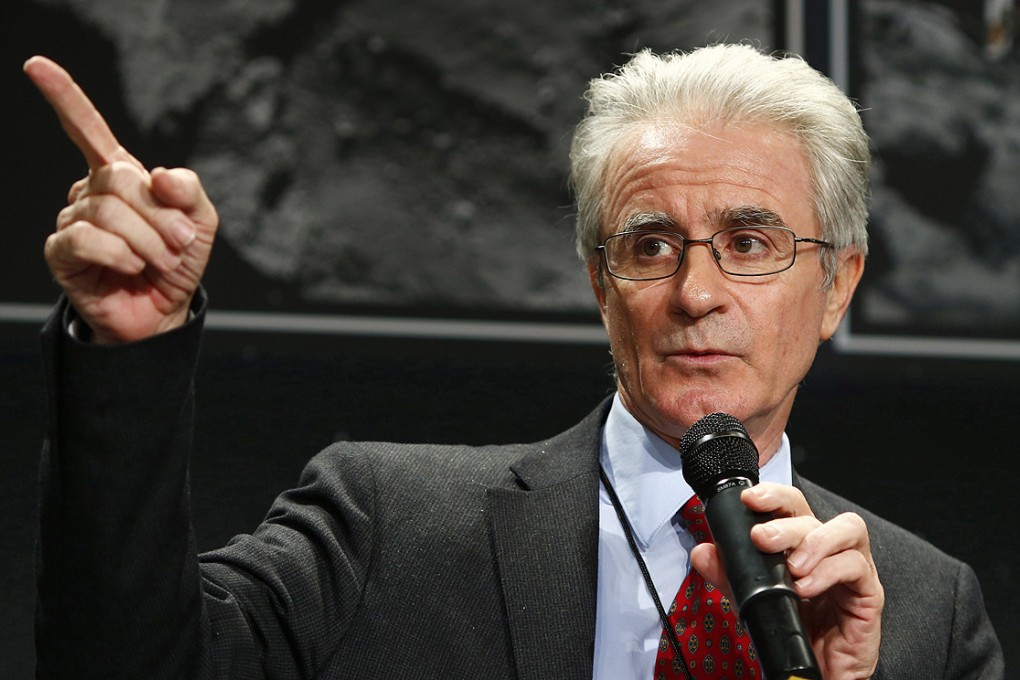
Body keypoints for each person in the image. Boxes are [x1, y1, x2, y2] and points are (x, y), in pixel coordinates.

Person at [26, 44, 1002, 679]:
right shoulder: (388, 525)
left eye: (749, 244)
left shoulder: (926, 609)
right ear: (600, 282)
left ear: (837, 284)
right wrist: (129, 353)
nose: (695, 293)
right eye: (650, 245)